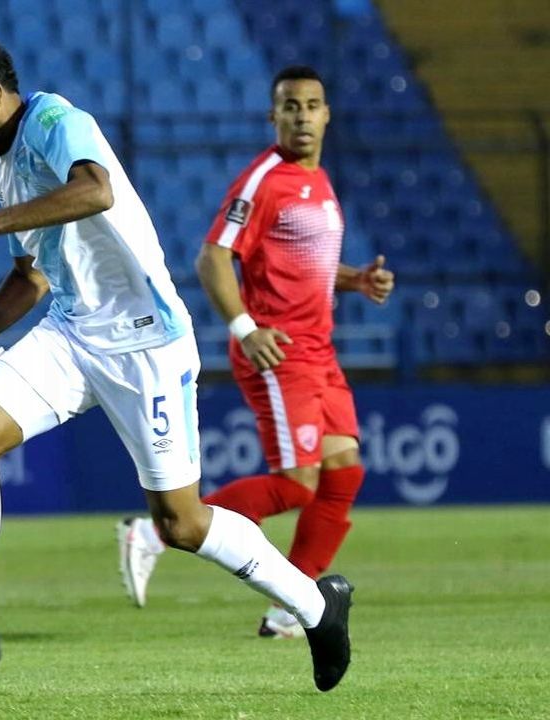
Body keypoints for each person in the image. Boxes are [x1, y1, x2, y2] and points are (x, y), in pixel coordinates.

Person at [0, 38, 352, 693]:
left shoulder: (56, 121)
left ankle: (315, 606)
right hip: (73, 334)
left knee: (181, 524)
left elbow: (95, 189)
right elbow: (33, 275)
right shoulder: (4, 169)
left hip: (145, 343)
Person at [119, 66, 393, 640]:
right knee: (297, 483)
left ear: (326, 115)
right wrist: (246, 329)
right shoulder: (264, 179)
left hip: (320, 352)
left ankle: (293, 607)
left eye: (312, 105)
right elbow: (213, 258)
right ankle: (156, 532)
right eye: (289, 106)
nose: (301, 115)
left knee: (343, 475)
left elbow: (300, 264)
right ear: (274, 116)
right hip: (278, 350)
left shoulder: (318, 182)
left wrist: (354, 280)